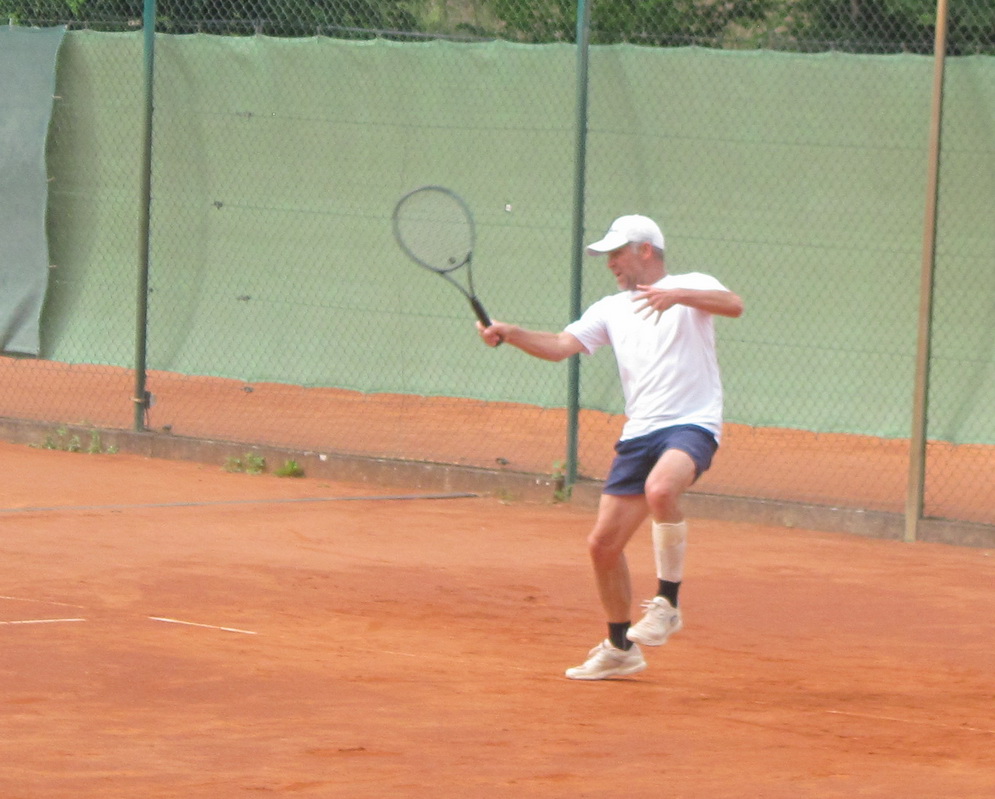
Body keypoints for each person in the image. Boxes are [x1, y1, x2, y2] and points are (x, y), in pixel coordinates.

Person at [477, 214, 743, 680]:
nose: (610, 264)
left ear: (645, 251)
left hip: (691, 423)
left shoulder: (691, 286)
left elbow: (734, 304)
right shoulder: (610, 309)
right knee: (603, 545)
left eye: (617, 253)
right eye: (607, 256)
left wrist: (678, 295)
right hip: (640, 432)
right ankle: (621, 649)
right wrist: (513, 333)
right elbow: (560, 345)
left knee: (661, 489)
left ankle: (667, 604)